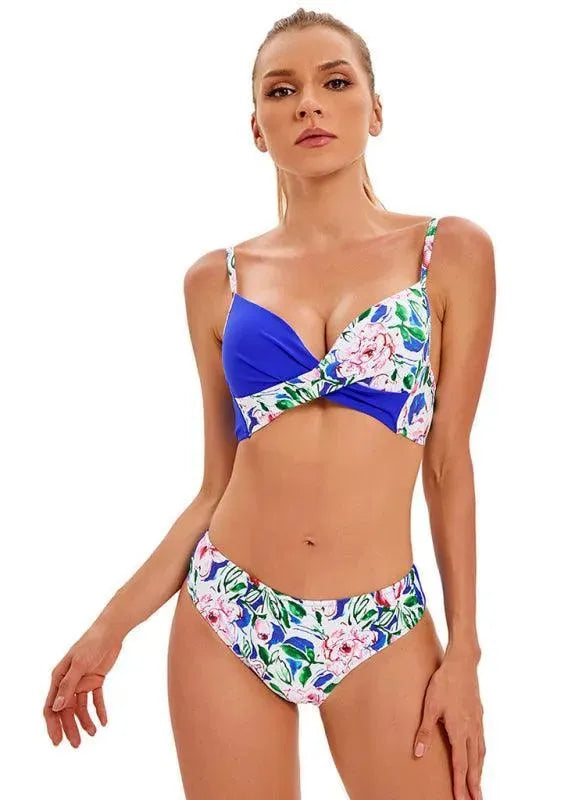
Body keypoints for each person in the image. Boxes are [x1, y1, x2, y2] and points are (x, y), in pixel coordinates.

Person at [43, 8, 494, 800]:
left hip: (379, 622)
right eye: (282, 91)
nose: (308, 103)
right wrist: (110, 626)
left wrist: (464, 654)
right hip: (229, 612)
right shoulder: (214, 282)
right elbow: (215, 485)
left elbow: (449, 463)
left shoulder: (449, 252)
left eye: (335, 82)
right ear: (257, 127)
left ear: (376, 110)